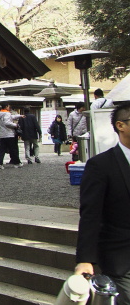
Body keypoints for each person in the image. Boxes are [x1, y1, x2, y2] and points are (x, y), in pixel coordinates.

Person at [75, 102, 130, 305]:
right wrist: (85, 259)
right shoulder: (101, 165)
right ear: (120, 125)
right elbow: (90, 215)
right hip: (122, 258)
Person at [0, 103, 24, 169]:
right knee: (13, 149)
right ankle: (17, 162)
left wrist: (19, 116)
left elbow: (11, 117)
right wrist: (15, 125)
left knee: (2, 150)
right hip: (9, 133)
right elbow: (7, 122)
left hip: (3, 134)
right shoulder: (7, 113)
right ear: (6, 107)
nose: (9, 107)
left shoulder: (0, 114)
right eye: (8, 106)